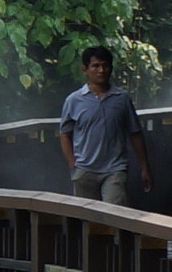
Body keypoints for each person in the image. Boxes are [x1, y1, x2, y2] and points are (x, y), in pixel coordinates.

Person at [57, 46, 151, 205]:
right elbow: (65, 133)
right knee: (87, 217)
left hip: (114, 169)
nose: (101, 70)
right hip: (84, 169)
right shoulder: (74, 100)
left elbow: (135, 133)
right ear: (85, 69)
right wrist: (72, 162)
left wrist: (144, 167)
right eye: (96, 66)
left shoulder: (122, 99)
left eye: (105, 66)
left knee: (114, 214)